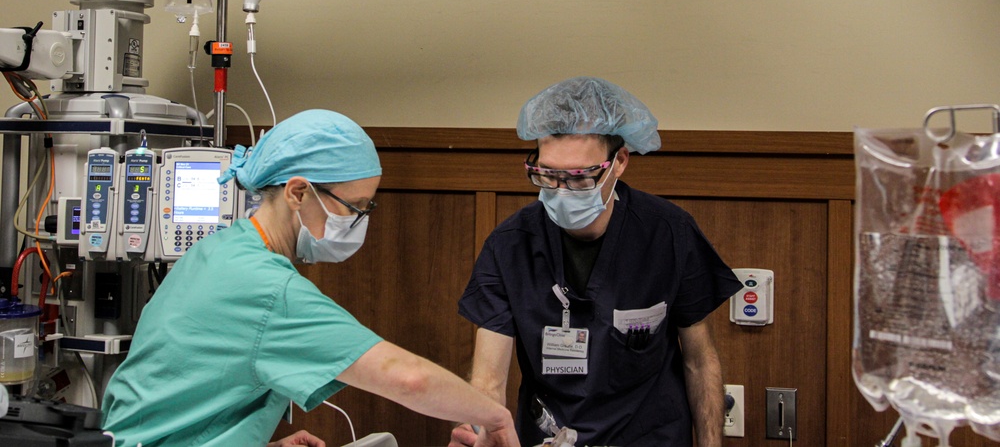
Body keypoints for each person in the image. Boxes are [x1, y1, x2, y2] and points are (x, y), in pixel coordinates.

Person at [102, 109, 519, 447]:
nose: (359, 222)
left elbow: (184, 396)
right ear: (298, 193)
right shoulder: (266, 288)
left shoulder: (216, 252)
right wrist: (495, 417)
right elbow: (407, 378)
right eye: (353, 207)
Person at [449, 77, 743, 447]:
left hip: (651, 437)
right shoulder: (510, 247)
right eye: (547, 174)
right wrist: (480, 428)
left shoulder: (669, 234)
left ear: (618, 163)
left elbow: (700, 362)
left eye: (580, 177)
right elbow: (488, 379)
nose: (560, 191)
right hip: (549, 436)